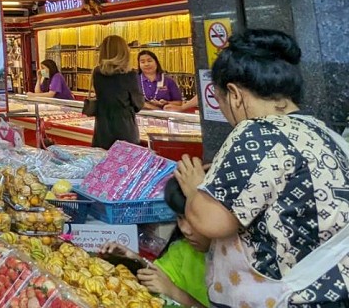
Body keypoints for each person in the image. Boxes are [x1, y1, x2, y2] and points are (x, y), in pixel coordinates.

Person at [174, 29, 349, 307]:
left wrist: (194, 185)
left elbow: (210, 221)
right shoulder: (323, 131)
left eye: (219, 102)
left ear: (234, 94)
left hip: (290, 299)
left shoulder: (256, 132)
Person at [99, 178, 210, 307]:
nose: (185, 229)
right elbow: (162, 276)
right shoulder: (184, 248)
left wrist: (175, 293)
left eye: (193, 219)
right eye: (180, 218)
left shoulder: (232, 264)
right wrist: (134, 260)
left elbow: (168, 286)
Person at [89, 35, 144, 149]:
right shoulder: (130, 74)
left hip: (102, 130)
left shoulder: (97, 73)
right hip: (125, 130)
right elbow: (138, 104)